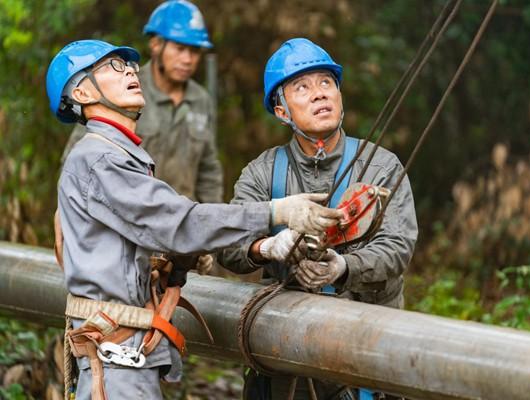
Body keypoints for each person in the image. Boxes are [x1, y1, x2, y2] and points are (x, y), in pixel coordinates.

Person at [47, 38, 343, 399]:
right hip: (116, 357)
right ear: (80, 91)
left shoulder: (120, 154)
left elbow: (141, 240)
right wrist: (275, 212)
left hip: (124, 352)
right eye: (113, 67)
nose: (129, 71)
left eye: (130, 66)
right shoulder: (99, 158)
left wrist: (174, 258)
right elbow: (180, 222)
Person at [218, 38, 418, 399]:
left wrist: (342, 267)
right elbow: (228, 244)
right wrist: (268, 247)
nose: (319, 94)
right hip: (286, 357)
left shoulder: (380, 165)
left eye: (327, 82)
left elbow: (398, 245)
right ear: (281, 111)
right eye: (302, 87)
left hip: (367, 354)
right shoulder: (263, 174)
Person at [62, 0, 222, 274]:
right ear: (156, 45)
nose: (188, 59)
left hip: (185, 236)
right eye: (180, 48)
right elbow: (76, 164)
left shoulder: (201, 100)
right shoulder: (123, 91)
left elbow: (208, 172)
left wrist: (210, 235)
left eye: (195, 51)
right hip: (131, 242)